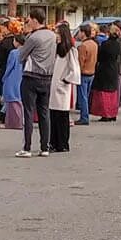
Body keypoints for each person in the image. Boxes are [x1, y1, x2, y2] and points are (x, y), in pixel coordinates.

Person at [17, 9, 55, 158]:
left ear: (34, 20)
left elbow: (21, 56)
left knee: (28, 112)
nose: (27, 22)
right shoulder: (52, 36)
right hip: (47, 78)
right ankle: (44, 147)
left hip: (31, 77)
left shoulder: (33, 37)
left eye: (28, 20)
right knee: (44, 113)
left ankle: (27, 148)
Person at [48, 23, 79, 154]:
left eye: (58, 33)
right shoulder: (56, 49)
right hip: (54, 85)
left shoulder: (70, 50)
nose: (56, 36)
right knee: (53, 115)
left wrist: (66, 79)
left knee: (62, 116)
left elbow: (75, 69)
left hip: (62, 86)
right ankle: (54, 142)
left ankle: (62, 143)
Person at [91, 23, 121, 123]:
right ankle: (113, 113)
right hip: (114, 68)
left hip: (105, 69)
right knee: (113, 93)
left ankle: (105, 114)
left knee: (104, 93)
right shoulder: (118, 44)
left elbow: (100, 57)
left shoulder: (106, 44)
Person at [75, 23, 98, 126]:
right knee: (86, 96)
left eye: (80, 32)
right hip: (91, 72)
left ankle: (84, 117)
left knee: (82, 97)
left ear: (83, 33)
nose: (78, 34)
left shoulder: (83, 46)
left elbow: (80, 62)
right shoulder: (94, 44)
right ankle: (85, 114)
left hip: (83, 73)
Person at [2, 37, 25, 130]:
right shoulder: (27, 52)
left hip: (12, 77)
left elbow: (10, 66)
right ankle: (20, 121)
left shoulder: (13, 53)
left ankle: (12, 123)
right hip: (22, 76)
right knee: (19, 100)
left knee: (11, 100)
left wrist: (4, 77)